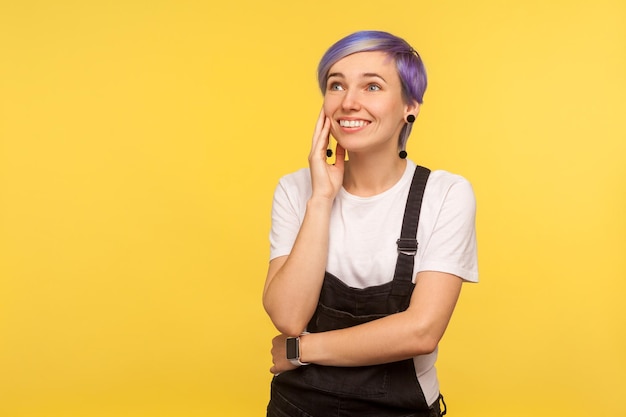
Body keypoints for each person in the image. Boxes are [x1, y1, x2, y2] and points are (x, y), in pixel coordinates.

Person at [263, 30, 478, 417]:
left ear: (409, 105)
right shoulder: (296, 190)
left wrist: (301, 349)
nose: (348, 102)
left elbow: (421, 331)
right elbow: (288, 316)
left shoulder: (445, 194)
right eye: (336, 85)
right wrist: (322, 199)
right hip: (297, 407)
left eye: (372, 86)